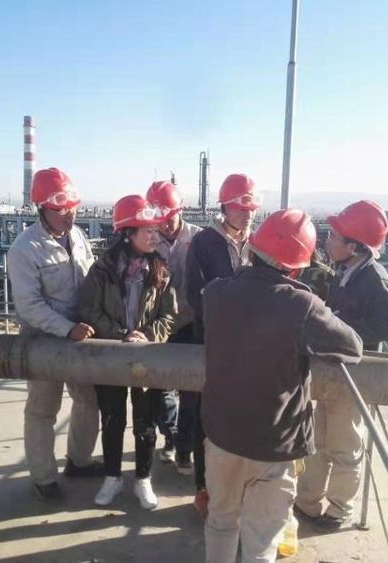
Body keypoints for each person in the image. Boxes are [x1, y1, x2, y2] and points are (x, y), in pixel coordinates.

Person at [202, 209, 363, 562]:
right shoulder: (301, 305)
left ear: (253, 251)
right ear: (295, 268)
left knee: (221, 521)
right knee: (262, 538)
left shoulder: (215, 293)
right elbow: (352, 347)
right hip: (273, 443)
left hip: (221, 435)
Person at [295, 200, 388, 530]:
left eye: (334, 236)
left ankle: (339, 510)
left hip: (353, 376)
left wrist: (344, 329)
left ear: (355, 247)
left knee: (343, 446)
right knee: (319, 439)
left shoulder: (373, 278)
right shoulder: (348, 271)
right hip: (334, 371)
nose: (328, 241)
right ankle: (308, 501)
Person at [7, 167, 103, 504]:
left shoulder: (78, 237)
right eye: (60, 207)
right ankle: (43, 477)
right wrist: (66, 329)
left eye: (72, 206)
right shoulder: (25, 249)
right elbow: (29, 305)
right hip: (43, 341)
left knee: (89, 403)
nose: (69, 213)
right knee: (43, 410)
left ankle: (79, 461)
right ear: (41, 207)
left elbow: (91, 282)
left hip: (81, 337)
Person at [79, 195, 177, 509]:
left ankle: (143, 480)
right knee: (112, 419)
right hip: (111, 355)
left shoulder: (161, 270)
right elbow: (88, 310)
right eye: (147, 230)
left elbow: (169, 316)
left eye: (155, 230)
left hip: (146, 357)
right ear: (127, 233)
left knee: (146, 422)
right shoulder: (102, 270)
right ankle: (112, 478)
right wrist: (121, 335)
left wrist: (145, 335)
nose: (155, 236)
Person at [185, 173, 261, 517]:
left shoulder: (257, 242)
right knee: (208, 417)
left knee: (243, 417)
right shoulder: (204, 243)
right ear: (225, 207)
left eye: (251, 208)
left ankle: (238, 487)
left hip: (250, 348)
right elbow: (195, 293)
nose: (247, 214)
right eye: (241, 208)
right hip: (214, 343)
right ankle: (204, 486)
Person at [145, 180, 202, 470]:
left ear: (180, 210)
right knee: (161, 386)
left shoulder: (199, 238)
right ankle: (171, 435)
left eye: (170, 217)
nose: (165, 225)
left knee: (191, 389)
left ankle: (185, 447)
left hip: (192, 323)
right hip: (160, 325)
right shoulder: (148, 239)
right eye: (160, 219)